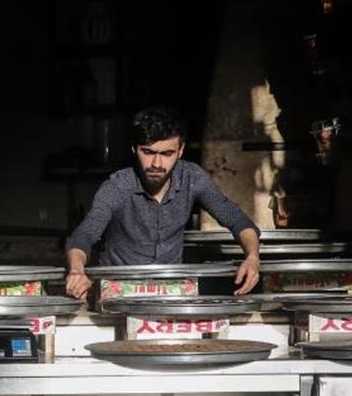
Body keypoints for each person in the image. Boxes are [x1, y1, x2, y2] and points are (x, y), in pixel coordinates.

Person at [64, 106, 261, 297]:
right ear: (134, 149)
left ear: (181, 150)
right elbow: (85, 235)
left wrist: (252, 257)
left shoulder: (193, 179)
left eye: (167, 154)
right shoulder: (117, 186)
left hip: (172, 290)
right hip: (118, 290)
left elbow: (236, 220)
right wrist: (76, 271)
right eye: (148, 152)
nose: (157, 164)